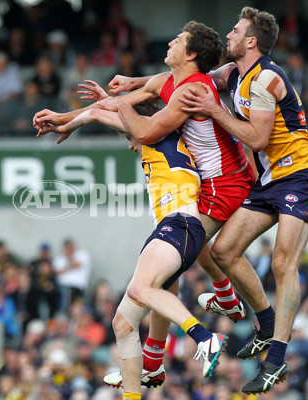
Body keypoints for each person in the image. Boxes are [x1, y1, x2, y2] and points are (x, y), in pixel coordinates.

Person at [34, 20, 262, 388]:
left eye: (178, 40)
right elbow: (117, 106)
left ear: (190, 54)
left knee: (151, 285)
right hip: (183, 215)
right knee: (137, 310)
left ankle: (211, 328)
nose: (169, 40)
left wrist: (113, 112)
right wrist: (68, 118)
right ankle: (153, 363)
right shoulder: (168, 85)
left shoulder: (180, 108)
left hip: (214, 194)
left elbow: (139, 127)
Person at [174, 7, 308, 393]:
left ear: (251, 41)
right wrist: (135, 84)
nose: (228, 35)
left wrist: (212, 109)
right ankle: (265, 320)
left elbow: (257, 139)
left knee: (282, 263)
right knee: (223, 251)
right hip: (269, 180)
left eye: (236, 31)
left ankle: (276, 360)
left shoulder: (268, 79)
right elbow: (185, 80)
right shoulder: (233, 74)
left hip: (300, 175)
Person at [42, 101, 228, 398]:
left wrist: (67, 122)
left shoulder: (154, 134)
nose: (130, 144)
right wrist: (113, 101)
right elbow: (121, 116)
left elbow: (99, 115)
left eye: (129, 136)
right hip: (182, 231)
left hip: (178, 226)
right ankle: (141, 380)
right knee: (124, 323)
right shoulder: (165, 139)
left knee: (140, 290)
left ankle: (204, 338)